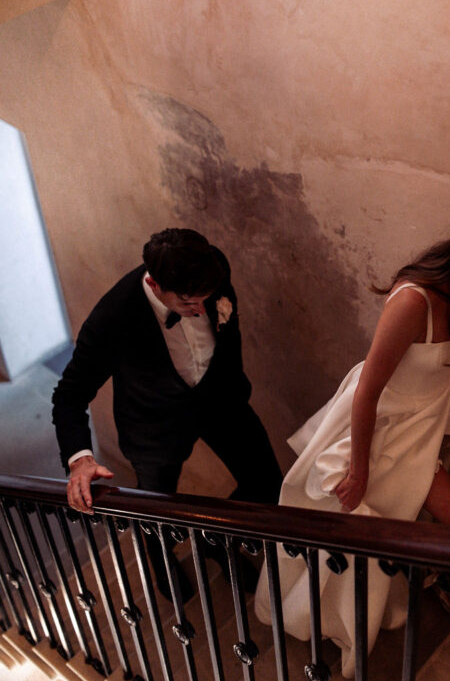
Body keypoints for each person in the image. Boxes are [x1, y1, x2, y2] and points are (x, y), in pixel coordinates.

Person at [255, 198, 450, 675]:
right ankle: (335, 616)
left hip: (430, 421)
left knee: (427, 523)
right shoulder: (414, 301)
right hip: (385, 430)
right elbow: (367, 392)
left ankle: (440, 577)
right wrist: (360, 469)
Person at [52, 228, 282, 599]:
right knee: (156, 506)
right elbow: (69, 395)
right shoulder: (113, 317)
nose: (201, 310)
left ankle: (216, 539)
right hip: (153, 425)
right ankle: (161, 559)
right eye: (190, 303)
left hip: (221, 403)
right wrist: (80, 459)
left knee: (268, 483)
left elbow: (223, 325)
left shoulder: (214, 268)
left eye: (208, 300)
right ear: (155, 284)